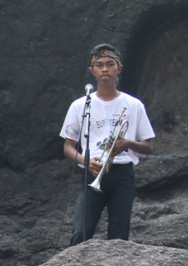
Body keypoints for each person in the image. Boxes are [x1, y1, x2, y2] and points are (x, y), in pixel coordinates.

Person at [60, 43, 155, 245]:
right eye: (100, 64)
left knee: (119, 237)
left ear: (119, 68)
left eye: (110, 64)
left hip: (122, 174)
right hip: (92, 172)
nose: (105, 69)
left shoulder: (134, 105)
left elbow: (148, 146)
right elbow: (68, 147)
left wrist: (128, 143)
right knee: (80, 233)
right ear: (92, 70)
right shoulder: (80, 105)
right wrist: (85, 161)